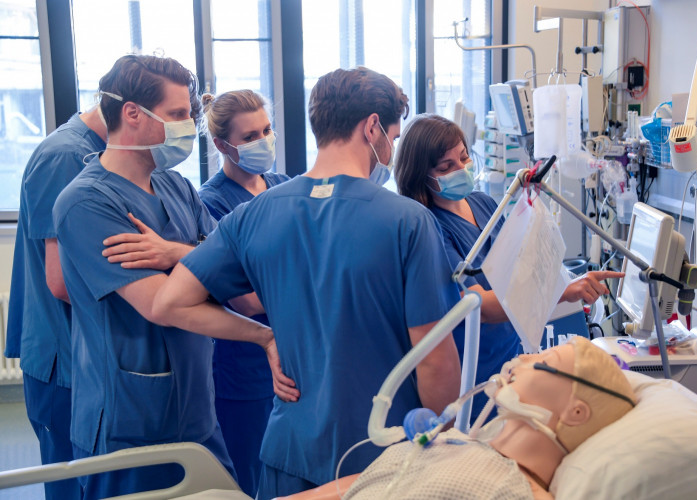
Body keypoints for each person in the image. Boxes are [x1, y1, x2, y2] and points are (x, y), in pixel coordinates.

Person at [152, 66, 463, 499]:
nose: (390, 147)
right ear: (372, 127)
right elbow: (434, 360)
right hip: (381, 458)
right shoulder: (407, 221)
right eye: (392, 135)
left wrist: (264, 339)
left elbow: (169, 303)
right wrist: (443, 444)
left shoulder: (255, 214)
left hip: (290, 453)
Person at [51, 54, 289, 499]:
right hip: (129, 418)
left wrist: (174, 254)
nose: (188, 126)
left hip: (198, 410)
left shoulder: (176, 187)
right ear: (132, 114)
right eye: (179, 115)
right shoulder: (85, 203)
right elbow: (164, 305)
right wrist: (262, 336)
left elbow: (236, 272)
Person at [393, 114, 624, 422]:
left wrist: (564, 284)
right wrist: (561, 292)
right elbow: (481, 306)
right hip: (473, 373)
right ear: (421, 176)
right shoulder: (430, 228)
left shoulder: (483, 204)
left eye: (463, 158)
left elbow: (518, 274)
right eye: (447, 167)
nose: (461, 170)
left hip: (510, 358)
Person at [282, 337, 637, 500]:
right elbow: (358, 486)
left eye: (544, 360)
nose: (526, 357)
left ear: (576, 413)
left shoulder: (516, 493)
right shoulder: (454, 442)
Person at [4, 104, 107, 499]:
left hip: (76, 354)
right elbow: (62, 281)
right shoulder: (67, 156)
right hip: (62, 358)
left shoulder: (89, 150)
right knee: (72, 482)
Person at [199, 89, 290, 496]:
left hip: (292, 350)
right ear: (222, 145)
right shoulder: (211, 202)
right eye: (251, 136)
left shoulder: (284, 186)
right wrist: (304, 283)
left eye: (267, 130)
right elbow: (245, 300)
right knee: (247, 477)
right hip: (243, 365)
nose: (264, 141)